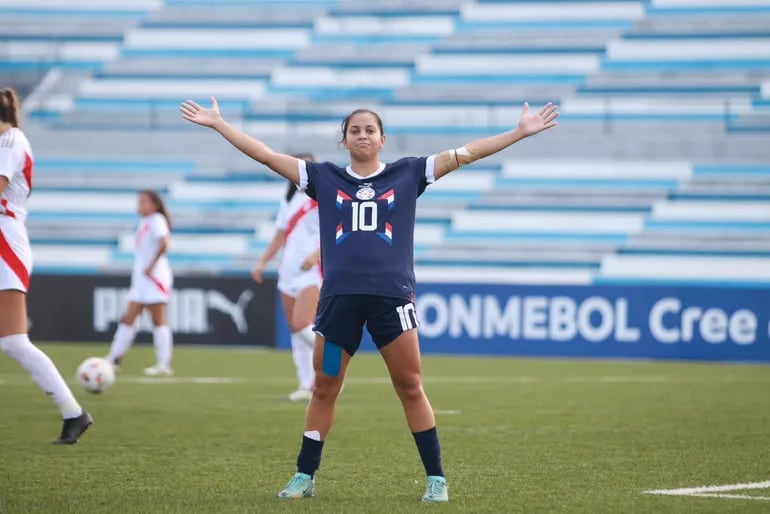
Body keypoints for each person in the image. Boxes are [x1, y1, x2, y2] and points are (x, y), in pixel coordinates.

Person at [180, 96, 558, 503]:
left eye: (369, 130)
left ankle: (436, 479)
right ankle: (304, 475)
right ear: (343, 140)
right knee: (324, 385)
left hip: (391, 303)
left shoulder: (409, 172)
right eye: (354, 130)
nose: (362, 135)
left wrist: (520, 132)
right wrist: (220, 125)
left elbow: (466, 154)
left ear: (382, 139)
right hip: (337, 305)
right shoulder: (323, 177)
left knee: (410, 385)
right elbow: (268, 156)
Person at [0, 87, 92, 444]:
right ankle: (74, 413)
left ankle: (74, 413)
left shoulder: (10, 141)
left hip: (5, 241)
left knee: (14, 342)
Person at [251, 155, 321, 402]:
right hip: (288, 270)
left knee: (303, 323)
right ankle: (306, 383)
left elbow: (337, 230)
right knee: (294, 329)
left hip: (311, 271)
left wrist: (317, 255)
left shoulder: (321, 196)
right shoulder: (289, 200)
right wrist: (262, 261)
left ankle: (334, 363)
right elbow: (279, 236)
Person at [106, 190, 174, 376]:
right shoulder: (145, 222)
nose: (139, 206)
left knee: (157, 319)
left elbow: (164, 243)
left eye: (143, 202)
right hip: (142, 279)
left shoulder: (157, 220)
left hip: (154, 277)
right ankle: (113, 359)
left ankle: (164, 363)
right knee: (128, 317)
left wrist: (151, 265)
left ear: (154, 204)